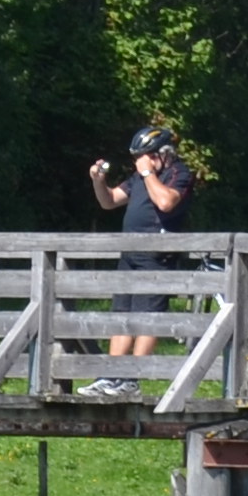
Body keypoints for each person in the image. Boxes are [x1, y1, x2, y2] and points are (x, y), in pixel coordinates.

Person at [86, 125, 196, 359]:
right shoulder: (139, 178)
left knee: (148, 316)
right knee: (121, 314)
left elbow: (166, 203)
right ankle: (112, 375)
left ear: (164, 153)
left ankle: (132, 377)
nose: (141, 162)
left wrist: (148, 174)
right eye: (138, 158)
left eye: (147, 156)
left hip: (157, 254)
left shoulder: (179, 173)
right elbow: (110, 200)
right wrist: (98, 181)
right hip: (130, 252)